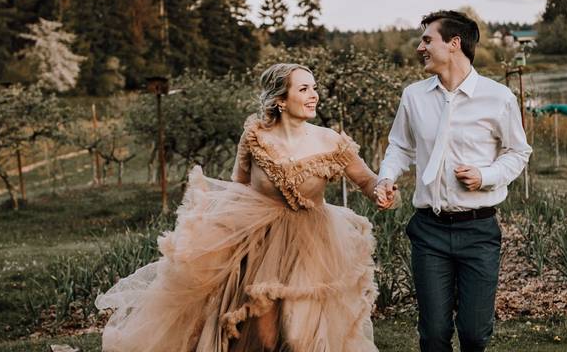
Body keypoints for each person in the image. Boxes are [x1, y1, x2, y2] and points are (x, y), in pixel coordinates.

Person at [96, 63, 390, 351]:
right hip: (262, 243)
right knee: (263, 336)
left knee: (299, 334)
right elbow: (238, 188)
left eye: (314, 88)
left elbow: (365, 179)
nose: (314, 95)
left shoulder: (330, 141)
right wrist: (218, 239)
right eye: (304, 89)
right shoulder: (255, 138)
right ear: (280, 101)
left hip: (313, 244)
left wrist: (380, 189)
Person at [375, 10, 532, 352]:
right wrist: (385, 178)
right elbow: (400, 146)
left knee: (475, 335)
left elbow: (518, 153)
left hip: (478, 231)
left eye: (427, 40)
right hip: (429, 230)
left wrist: (486, 176)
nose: (421, 48)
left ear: (454, 44)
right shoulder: (414, 96)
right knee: (433, 335)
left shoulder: (499, 97)